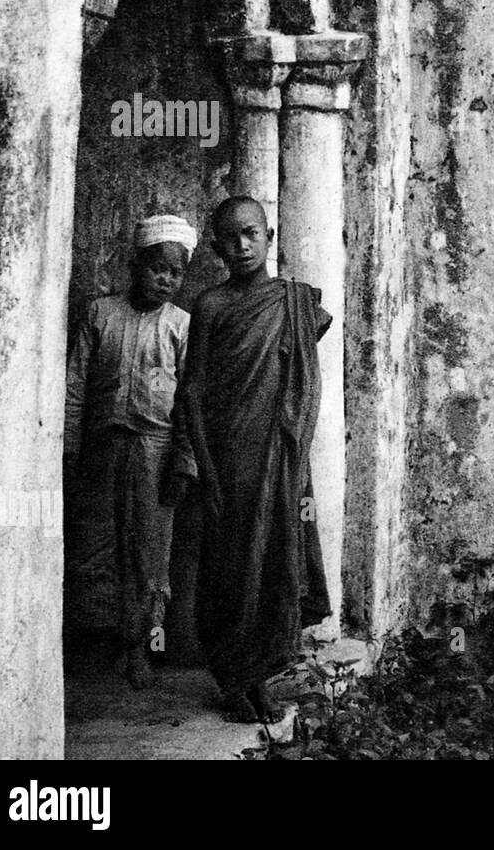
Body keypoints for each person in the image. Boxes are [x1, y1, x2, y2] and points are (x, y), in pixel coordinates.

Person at [178, 196, 332, 723]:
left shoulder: (295, 302)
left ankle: (258, 677)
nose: (242, 246)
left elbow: (304, 380)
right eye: (230, 238)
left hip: (278, 456)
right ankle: (231, 677)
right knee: (228, 570)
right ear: (216, 245)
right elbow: (193, 391)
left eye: (251, 234)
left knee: (273, 562)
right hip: (227, 456)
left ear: (269, 235)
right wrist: (204, 466)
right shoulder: (212, 306)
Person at [63, 214, 199, 689]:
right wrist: (71, 445)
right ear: (137, 264)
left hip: (155, 453)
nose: (165, 279)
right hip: (102, 449)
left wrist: (183, 461)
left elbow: (189, 400)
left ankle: (141, 647)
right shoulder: (102, 314)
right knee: (96, 547)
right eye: (157, 267)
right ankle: (96, 644)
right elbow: (77, 383)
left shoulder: (181, 326)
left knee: (148, 552)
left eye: (176, 272)